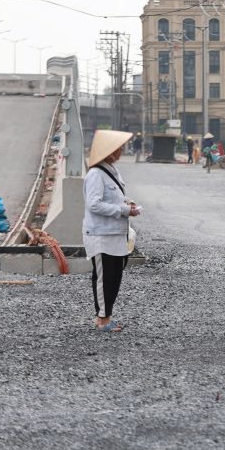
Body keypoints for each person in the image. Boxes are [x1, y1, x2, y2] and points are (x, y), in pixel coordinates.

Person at [83, 130, 141, 332]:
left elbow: (110, 198)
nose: (121, 150)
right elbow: (94, 205)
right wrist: (124, 210)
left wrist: (127, 203)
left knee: (115, 276)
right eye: (119, 148)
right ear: (109, 152)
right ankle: (102, 320)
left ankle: (106, 315)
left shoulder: (111, 171)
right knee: (104, 277)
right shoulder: (96, 174)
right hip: (101, 235)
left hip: (115, 233)